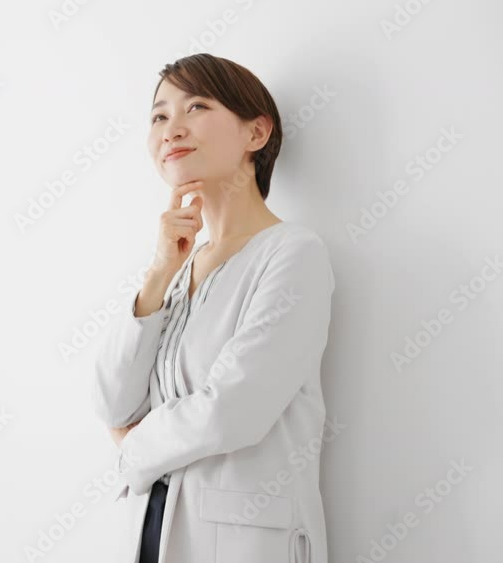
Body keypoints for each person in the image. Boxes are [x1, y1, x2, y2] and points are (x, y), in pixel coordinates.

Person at [91, 53, 334, 563]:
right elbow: (114, 404)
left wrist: (133, 447)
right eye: (159, 115)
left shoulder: (292, 253)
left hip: (245, 543)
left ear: (256, 133)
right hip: (152, 534)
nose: (171, 129)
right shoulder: (178, 271)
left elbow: (233, 410)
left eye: (196, 106)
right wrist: (159, 273)